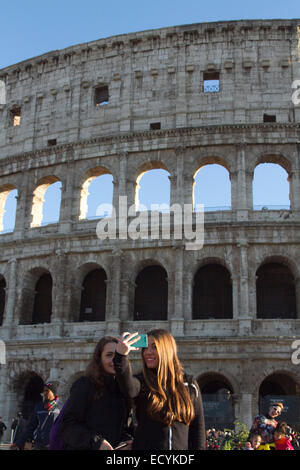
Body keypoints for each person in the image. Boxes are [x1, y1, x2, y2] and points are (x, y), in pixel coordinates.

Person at [113, 329, 206, 450]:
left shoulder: (189, 384)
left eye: (154, 347)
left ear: (166, 350)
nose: (148, 352)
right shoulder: (142, 382)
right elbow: (128, 388)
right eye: (145, 348)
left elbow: (197, 431)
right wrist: (121, 356)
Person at [60, 336, 133, 450]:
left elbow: (126, 427)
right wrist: (97, 443)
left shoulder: (124, 389)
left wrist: (127, 441)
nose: (114, 360)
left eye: (118, 355)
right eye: (109, 355)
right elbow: (68, 426)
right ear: (99, 359)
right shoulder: (85, 385)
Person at [12, 382, 60, 450]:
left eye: (47, 390)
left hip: (54, 444)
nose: (44, 393)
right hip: (39, 444)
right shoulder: (39, 407)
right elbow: (31, 427)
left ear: (53, 392)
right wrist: (19, 442)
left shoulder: (60, 408)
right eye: (43, 391)